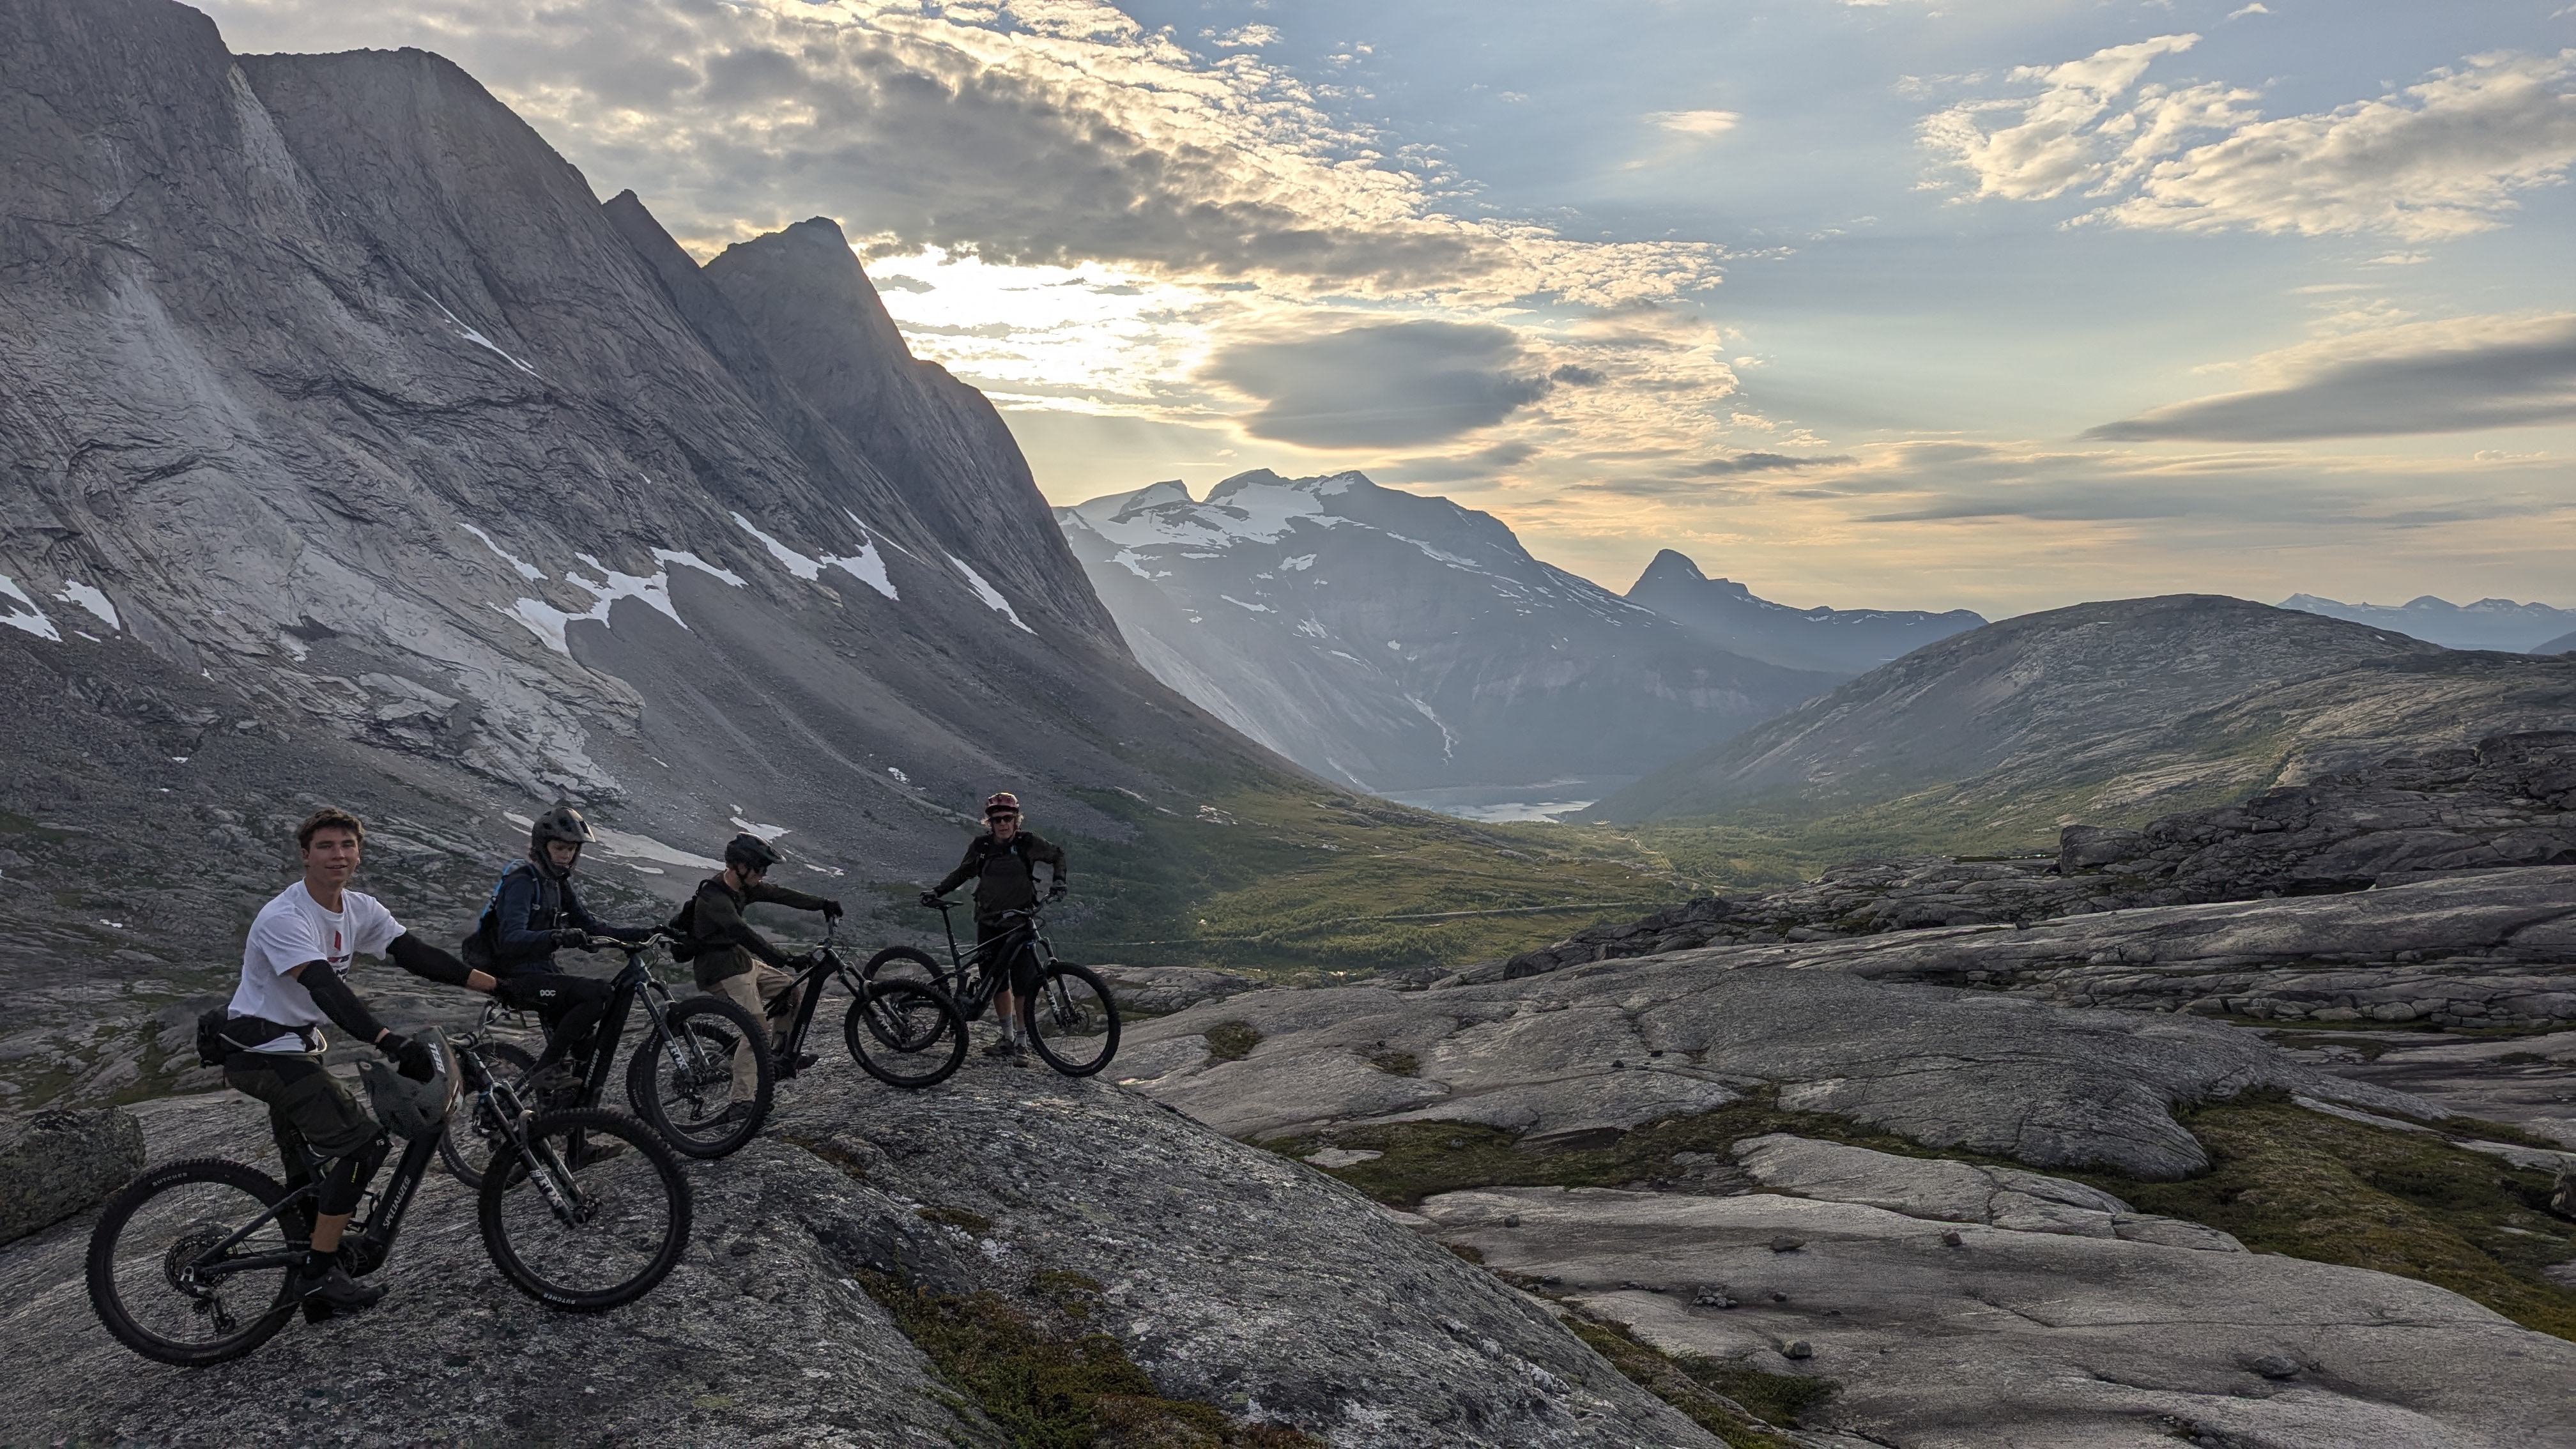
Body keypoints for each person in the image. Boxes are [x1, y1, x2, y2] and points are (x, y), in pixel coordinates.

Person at [221, 807, 499, 1312]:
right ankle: (320, 1276)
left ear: (358, 853)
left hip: (295, 1047)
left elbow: (416, 954)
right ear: (305, 855)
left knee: (307, 1174)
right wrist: (388, 1040)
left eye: (347, 846)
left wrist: (496, 986)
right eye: (326, 846)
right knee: (364, 1147)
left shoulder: (358, 908)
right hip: (261, 1052)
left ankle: (311, 1273)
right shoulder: (285, 916)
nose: (338, 855)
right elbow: (326, 988)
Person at [468, 804, 648, 1109]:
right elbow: (510, 938)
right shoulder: (523, 881)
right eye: (559, 847)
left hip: (542, 974)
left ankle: (571, 1130)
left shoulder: (557, 883)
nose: (566, 855)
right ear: (542, 847)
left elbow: (591, 926)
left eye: (571, 849)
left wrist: (645, 933)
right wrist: (555, 936)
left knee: (587, 1048)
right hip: (514, 978)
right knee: (599, 995)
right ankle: (545, 1070)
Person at [678, 833, 841, 1108]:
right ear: (740, 867)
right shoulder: (713, 898)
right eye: (760, 869)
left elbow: (780, 895)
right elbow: (744, 933)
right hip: (721, 972)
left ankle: (778, 1058)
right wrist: (784, 958)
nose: (763, 875)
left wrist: (822, 904)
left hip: (741, 963)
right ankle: (741, 1101)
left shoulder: (744, 887)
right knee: (755, 1030)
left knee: (789, 992)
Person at [923, 791, 1066, 1059]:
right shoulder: (982, 846)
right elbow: (962, 873)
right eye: (996, 819)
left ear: (1016, 820)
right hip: (989, 921)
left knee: (1023, 983)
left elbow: (1058, 855)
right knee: (996, 983)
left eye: (1007, 818)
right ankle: (1008, 1038)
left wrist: (1059, 881)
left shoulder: (1028, 843)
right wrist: (938, 891)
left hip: (1020, 922)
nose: (1002, 824)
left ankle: (1023, 1042)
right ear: (990, 822)